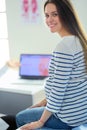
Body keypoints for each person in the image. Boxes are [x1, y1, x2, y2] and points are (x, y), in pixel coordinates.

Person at [3, 0, 87, 129]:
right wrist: (42, 103)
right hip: (80, 113)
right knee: (25, 113)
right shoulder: (79, 41)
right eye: (47, 15)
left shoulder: (64, 47)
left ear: (66, 15)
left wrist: (40, 122)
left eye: (54, 14)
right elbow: (69, 84)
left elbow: (58, 93)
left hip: (66, 118)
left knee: (20, 117)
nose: (49, 20)